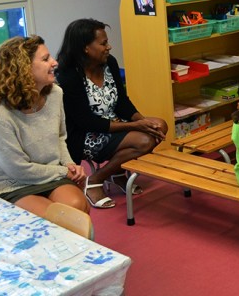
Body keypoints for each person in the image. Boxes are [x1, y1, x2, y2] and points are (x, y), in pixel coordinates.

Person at [56, 18, 167, 209]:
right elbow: (86, 121)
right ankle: (95, 180)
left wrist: (144, 121)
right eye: (103, 43)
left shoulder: (109, 63)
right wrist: (135, 126)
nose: (109, 47)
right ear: (85, 48)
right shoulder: (68, 75)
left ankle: (116, 172)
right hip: (84, 135)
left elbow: (122, 102)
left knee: (160, 125)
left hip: (113, 124)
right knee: (144, 141)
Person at [0, 36, 89, 217]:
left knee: (77, 208)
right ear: (23, 68)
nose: (54, 63)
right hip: (11, 181)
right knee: (56, 220)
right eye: (46, 59)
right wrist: (64, 171)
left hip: (50, 173)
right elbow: (18, 169)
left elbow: (59, 137)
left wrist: (69, 164)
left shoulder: (55, 93)